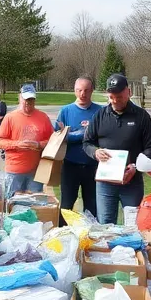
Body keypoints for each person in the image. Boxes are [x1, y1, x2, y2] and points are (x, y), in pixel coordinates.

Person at [82, 74, 151, 224]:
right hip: (105, 183)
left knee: (133, 224)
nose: (115, 101)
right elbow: (87, 143)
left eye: (119, 96)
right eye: (111, 97)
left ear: (128, 92)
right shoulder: (99, 116)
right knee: (105, 224)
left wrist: (135, 167)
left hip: (132, 181)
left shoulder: (141, 117)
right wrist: (95, 152)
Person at [0, 84, 55, 197]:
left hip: (36, 171)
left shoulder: (43, 117)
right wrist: (18, 144)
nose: (28, 102)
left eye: (31, 99)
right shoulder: (10, 117)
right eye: (26, 99)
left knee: (34, 206)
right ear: (20, 98)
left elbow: (52, 141)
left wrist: (39, 144)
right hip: (14, 171)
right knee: (13, 205)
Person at [55, 77, 103, 216]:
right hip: (71, 165)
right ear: (74, 90)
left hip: (93, 165)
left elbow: (103, 136)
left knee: (92, 205)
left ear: (92, 91)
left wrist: (76, 134)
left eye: (86, 90)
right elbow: (58, 137)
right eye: (79, 90)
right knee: (66, 205)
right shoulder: (65, 111)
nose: (83, 94)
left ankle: (90, 234)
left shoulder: (99, 111)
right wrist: (81, 135)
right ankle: (63, 233)